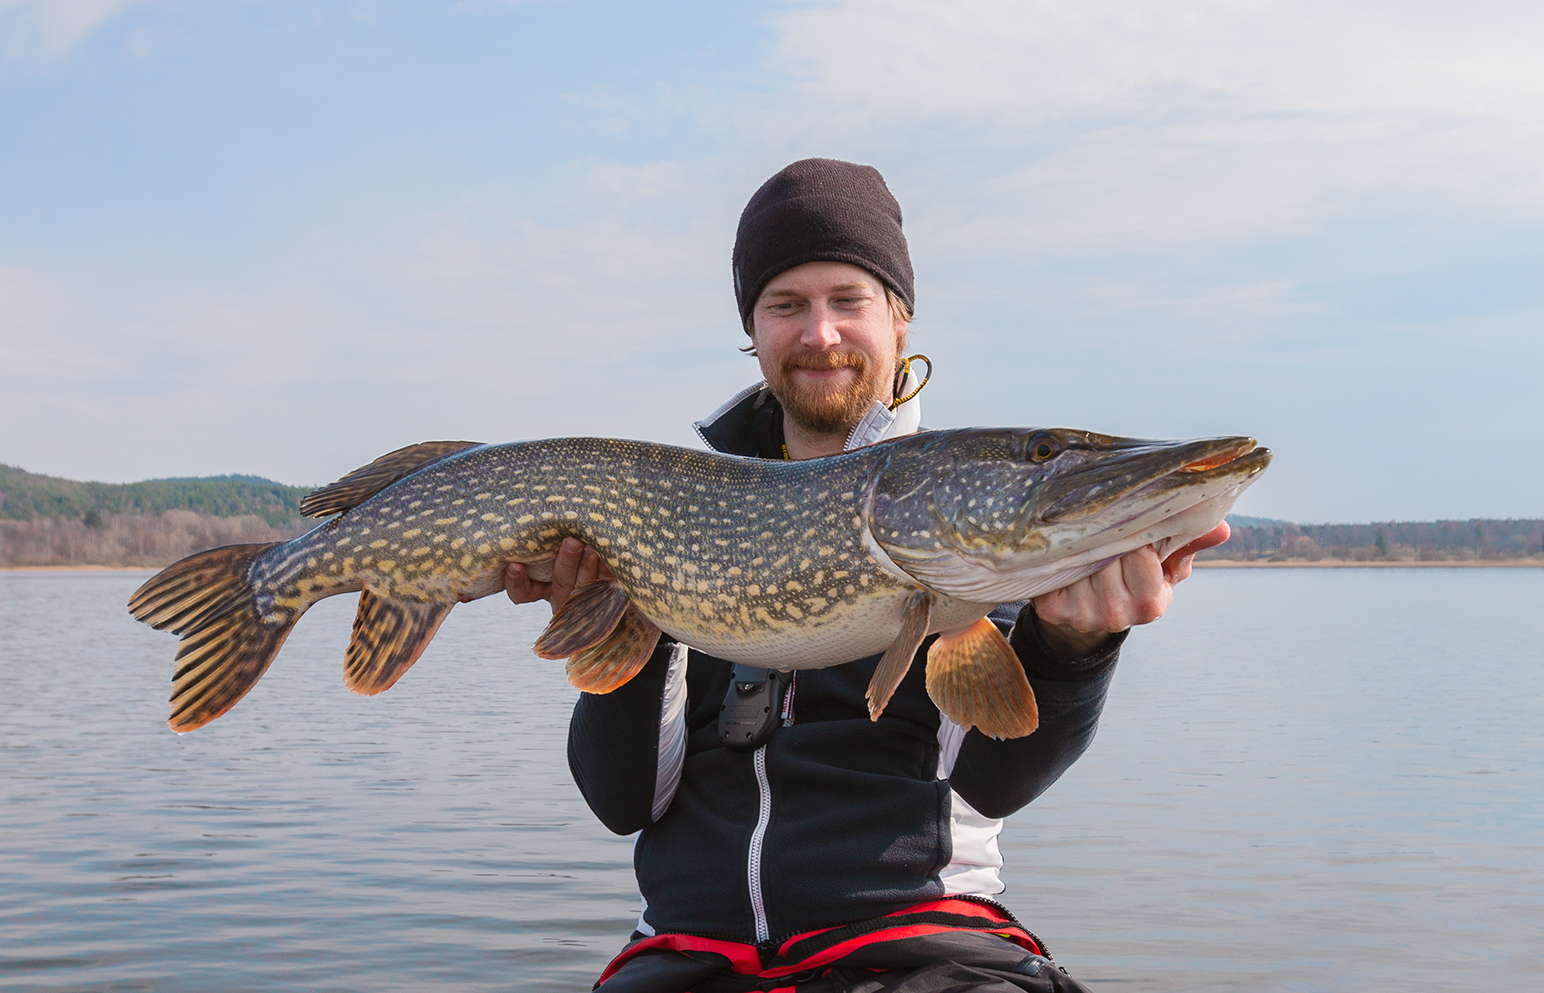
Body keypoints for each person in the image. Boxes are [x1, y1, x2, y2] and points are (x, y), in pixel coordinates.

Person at [503, 159, 1229, 993]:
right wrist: (602, 608)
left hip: (922, 949)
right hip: (690, 956)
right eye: (787, 305)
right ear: (755, 330)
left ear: (899, 317)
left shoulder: (956, 527)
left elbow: (992, 785)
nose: (820, 334)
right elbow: (623, 800)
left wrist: (1073, 648)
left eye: (848, 300)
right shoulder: (671, 520)